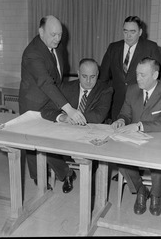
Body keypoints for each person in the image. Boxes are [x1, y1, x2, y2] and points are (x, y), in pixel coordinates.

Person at [19, 15, 86, 189]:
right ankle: (39, 178)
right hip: (33, 104)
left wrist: (62, 104)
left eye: (60, 34)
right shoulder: (32, 53)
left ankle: (65, 173)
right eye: (53, 34)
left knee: (52, 142)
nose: (57, 38)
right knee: (33, 144)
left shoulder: (57, 46)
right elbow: (45, 82)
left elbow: (58, 77)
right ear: (41, 32)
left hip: (52, 101)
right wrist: (69, 109)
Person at [112, 57, 161, 216]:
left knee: (158, 162)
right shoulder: (132, 90)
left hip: (159, 141)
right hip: (135, 140)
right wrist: (122, 120)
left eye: (143, 75)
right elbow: (125, 113)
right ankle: (141, 189)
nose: (138, 78)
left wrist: (139, 125)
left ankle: (156, 194)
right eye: (137, 74)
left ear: (155, 75)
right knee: (120, 159)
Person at [41, 58, 113, 193]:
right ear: (78, 73)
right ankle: (66, 173)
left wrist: (74, 118)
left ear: (98, 75)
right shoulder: (65, 87)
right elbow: (46, 110)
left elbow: (98, 116)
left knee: (89, 188)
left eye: (93, 77)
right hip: (67, 133)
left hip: (90, 135)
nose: (88, 81)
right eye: (84, 76)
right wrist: (63, 117)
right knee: (43, 147)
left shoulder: (106, 89)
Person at [100, 15, 161, 123]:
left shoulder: (150, 47)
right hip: (117, 104)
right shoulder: (113, 48)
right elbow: (103, 78)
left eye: (133, 31)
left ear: (140, 32)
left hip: (141, 105)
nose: (128, 35)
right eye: (125, 31)